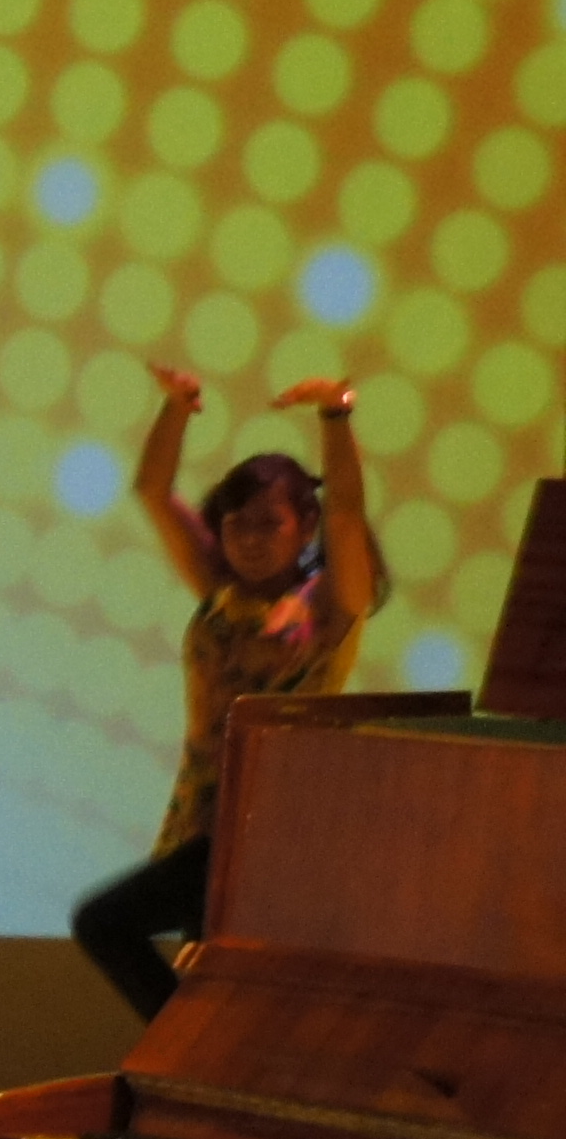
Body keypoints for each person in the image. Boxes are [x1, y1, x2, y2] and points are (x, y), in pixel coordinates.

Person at [68, 368, 384, 1020]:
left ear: (305, 525)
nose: (250, 539)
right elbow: (152, 491)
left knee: (106, 923)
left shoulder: (329, 606)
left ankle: (182, 1052)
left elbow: (349, 513)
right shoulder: (220, 594)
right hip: (204, 820)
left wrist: (335, 416)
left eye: (270, 523)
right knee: (208, 978)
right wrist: (177, 406)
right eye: (238, 523)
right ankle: (192, 1057)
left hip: (272, 828)